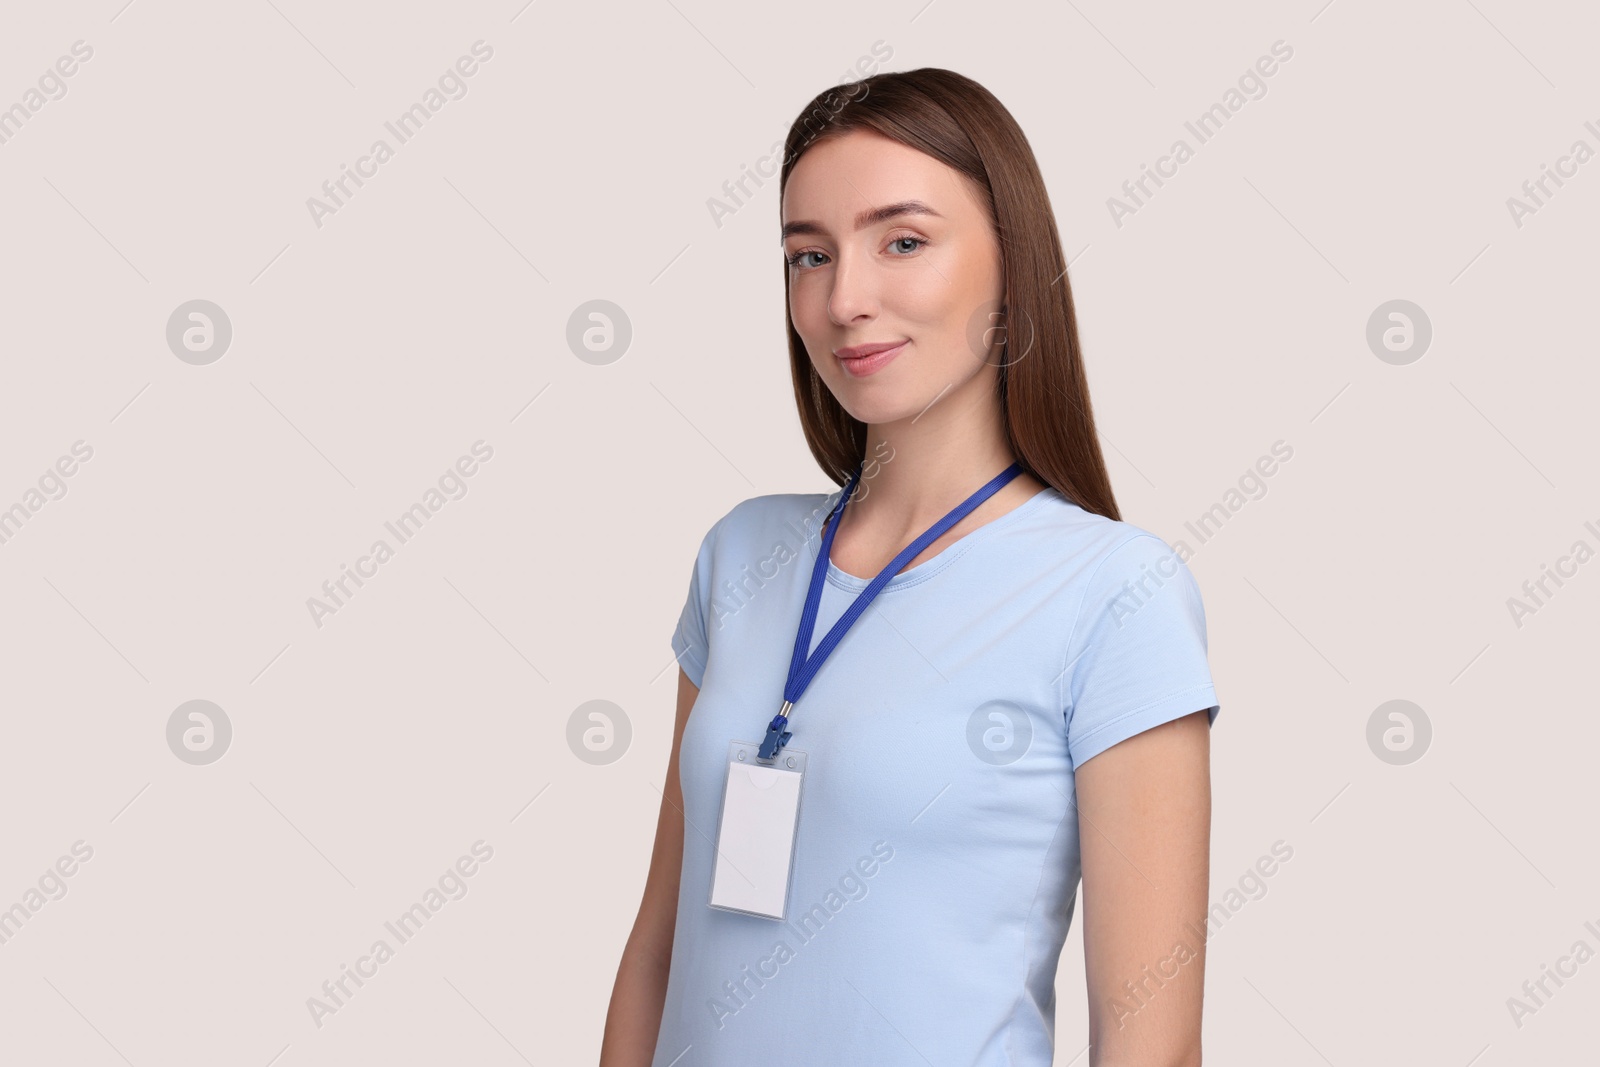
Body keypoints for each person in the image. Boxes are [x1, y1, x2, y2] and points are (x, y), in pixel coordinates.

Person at [601, 67, 1220, 1067]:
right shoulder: (741, 557)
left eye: (902, 241)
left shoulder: (1116, 594)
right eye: (809, 256)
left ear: (1012, 266)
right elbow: (656, 950)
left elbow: (1149, 1041)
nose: (845, 298)